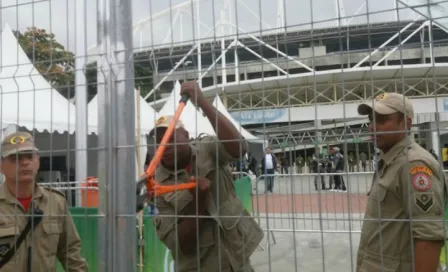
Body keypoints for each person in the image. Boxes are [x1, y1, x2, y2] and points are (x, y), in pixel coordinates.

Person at [151, 81, 263, 272]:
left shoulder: (207, 148)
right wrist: (199, 200)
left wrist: (202, 102)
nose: (164, 147)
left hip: (237, 258)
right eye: (158, 141)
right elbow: (181, 244)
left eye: (170, 139)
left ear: (185, 135)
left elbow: (238, 148)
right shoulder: (157, 185)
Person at [356, 92, 446, 272]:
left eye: (382, 120)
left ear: (406, 123)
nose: (373, 126)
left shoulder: (413, 165)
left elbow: (428, 238)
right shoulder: (391, 161)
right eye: (371, 120)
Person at [0, 132, 88, 271]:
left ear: (38, 161)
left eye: (30, 156)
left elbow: (71, 254)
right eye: (15, 158)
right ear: (1, 166)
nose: (24, 162)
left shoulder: (56, 202)